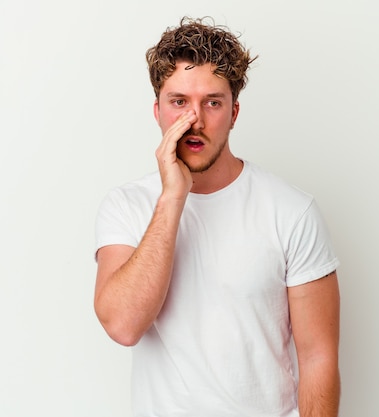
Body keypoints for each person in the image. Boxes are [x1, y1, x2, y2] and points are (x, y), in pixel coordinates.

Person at [93, 16, 341, 417]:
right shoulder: (127, 206)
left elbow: (318, 358)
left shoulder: (292, 211)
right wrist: (174, 196)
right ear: (157, 111)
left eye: (212, 102)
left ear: (234, 112)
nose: (195, 120)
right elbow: (123, 325)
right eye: (179, 102)